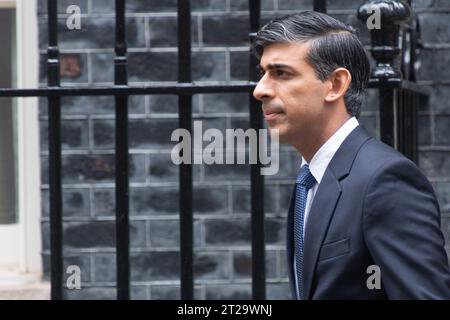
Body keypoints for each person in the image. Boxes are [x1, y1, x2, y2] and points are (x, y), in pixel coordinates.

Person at [252, 11, 450, 299]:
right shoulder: (310, 179)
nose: (260, 90)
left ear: (335, 85)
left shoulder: (384, 180)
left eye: (281, 73)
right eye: (263, 73)